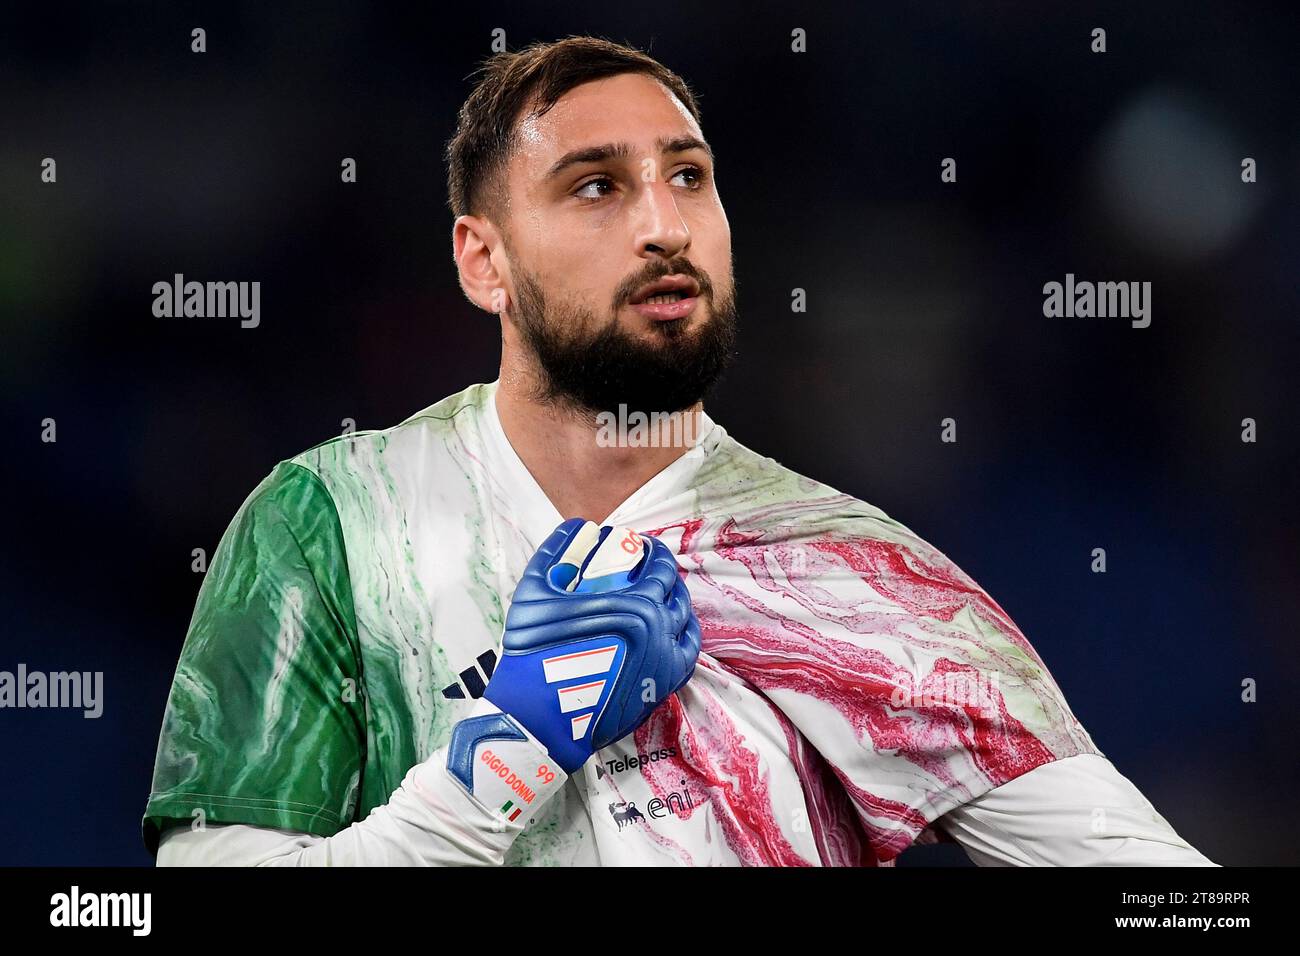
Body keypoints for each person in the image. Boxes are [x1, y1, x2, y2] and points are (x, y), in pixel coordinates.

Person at [144, 36, 1214, 866]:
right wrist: (502, 762)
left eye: (690, 178)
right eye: (596, 185)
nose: (663, 223)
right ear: (485, 261)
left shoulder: (862, 580)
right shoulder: (329, 524)